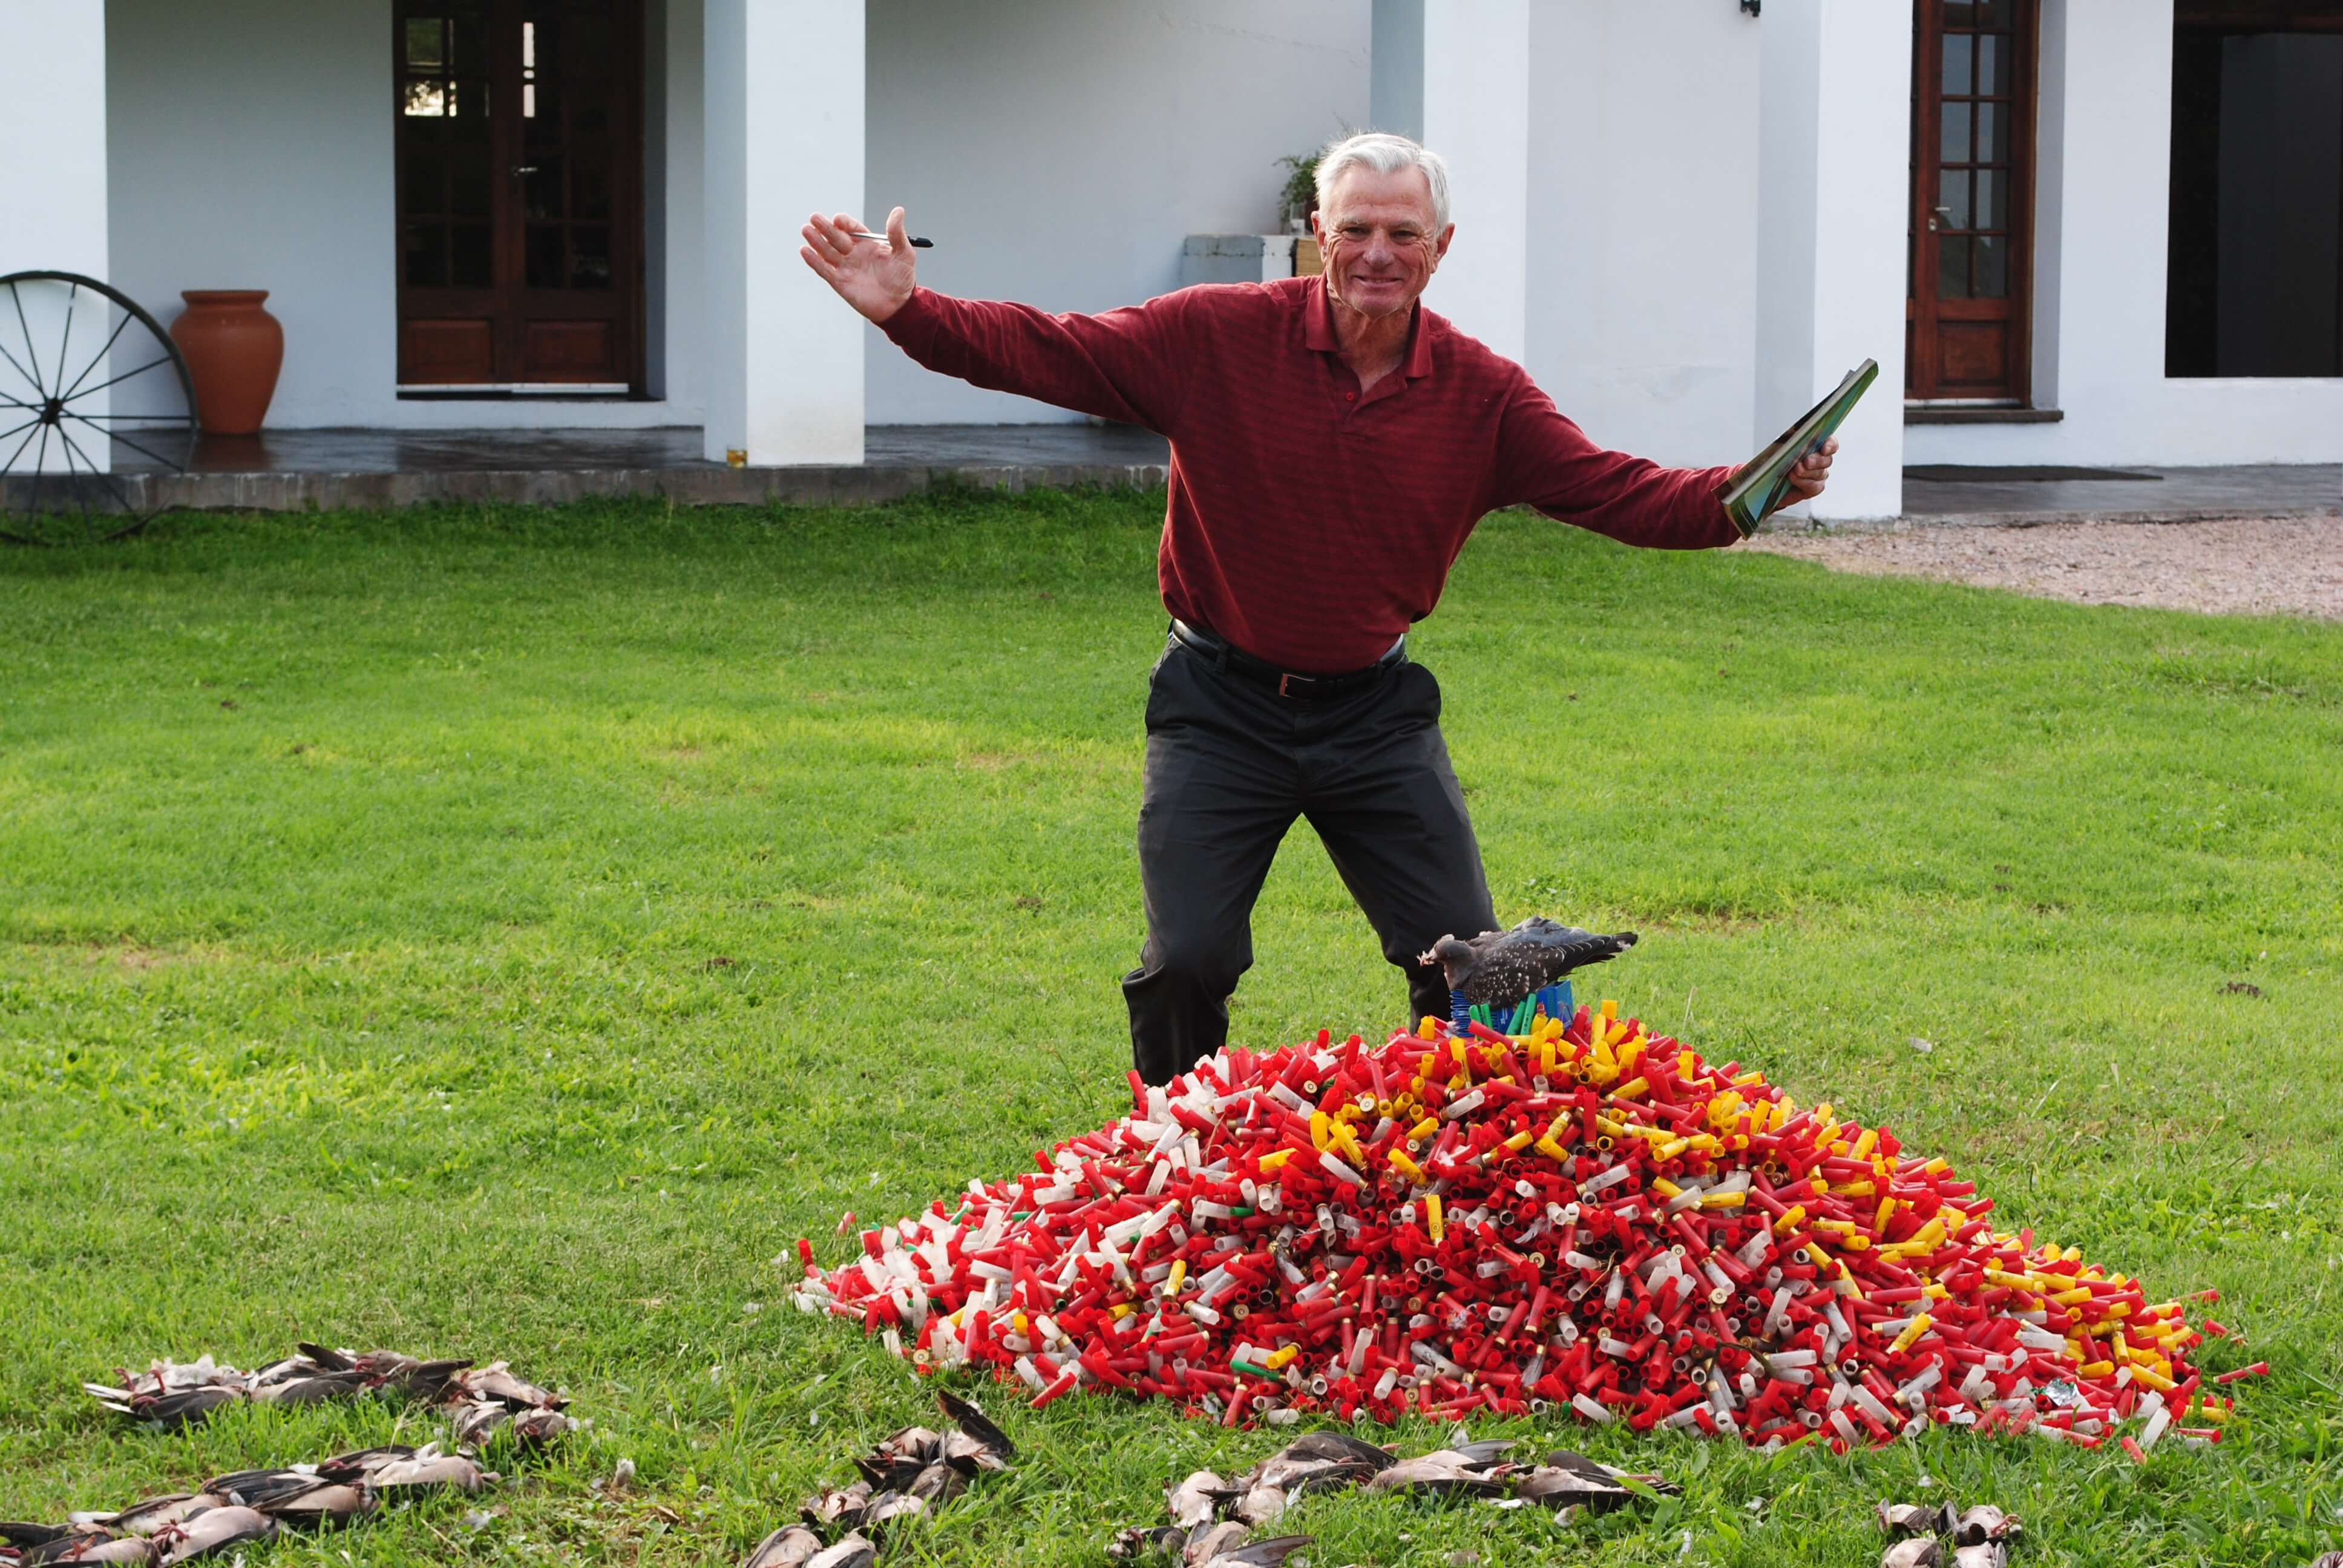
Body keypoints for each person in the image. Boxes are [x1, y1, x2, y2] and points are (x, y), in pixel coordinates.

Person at [800, 131, 1837, 1088]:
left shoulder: (1483, 396)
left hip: (1374, 718)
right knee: (1189, 961)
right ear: (1318, 238)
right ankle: (1173, 1160)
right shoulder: (1213, 336)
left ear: (1441, 248)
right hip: (1220, 704)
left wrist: (1750, 493)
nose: (1377, 253)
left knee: (1472, 967)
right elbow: (1052, 350)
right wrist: (907, 310)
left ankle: (1471, 1172)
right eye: (1355, 230)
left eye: (1402, 234)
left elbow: (1618, 489)